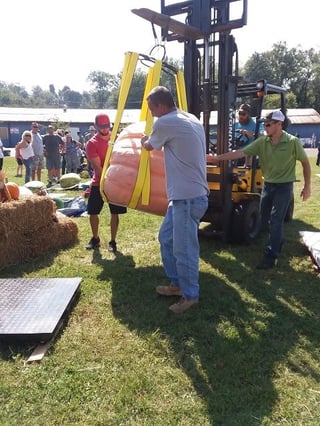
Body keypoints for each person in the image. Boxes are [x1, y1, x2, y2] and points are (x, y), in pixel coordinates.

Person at [211, 110, 311, 269]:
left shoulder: (293, 142)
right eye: (264, 124)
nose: (265, 127)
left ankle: (271, 256)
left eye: (268, 124)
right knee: (264, 219)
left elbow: (306, 163)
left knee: (275, 219)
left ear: (279, 124)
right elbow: (240, 153)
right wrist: (217, 158)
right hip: (268, 185)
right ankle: (278, 240)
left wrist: (307, 186)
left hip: (284, 187)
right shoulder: (262, 142)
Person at [141, 86, 209, 314]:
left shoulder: (164, 122)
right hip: (187, 196)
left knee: (185, 249)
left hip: (187, 198)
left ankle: (190, 296)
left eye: (151, 109)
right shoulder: (191, 118)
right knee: (166, 239)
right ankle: (177, 284)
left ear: (161, 105)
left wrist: (142, 140)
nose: (151, 113)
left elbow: (150, 145)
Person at [85, 113, 127, 252]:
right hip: (99, 181)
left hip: (116, 182)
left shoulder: (117, 139)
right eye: (102, 127)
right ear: (96, 126)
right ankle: (95, 238)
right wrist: (107, 180)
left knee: (115, 212)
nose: (105, 129)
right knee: (93, 212)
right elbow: (98, 167)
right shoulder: (92, 143)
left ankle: (113, 241)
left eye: (107, 126)